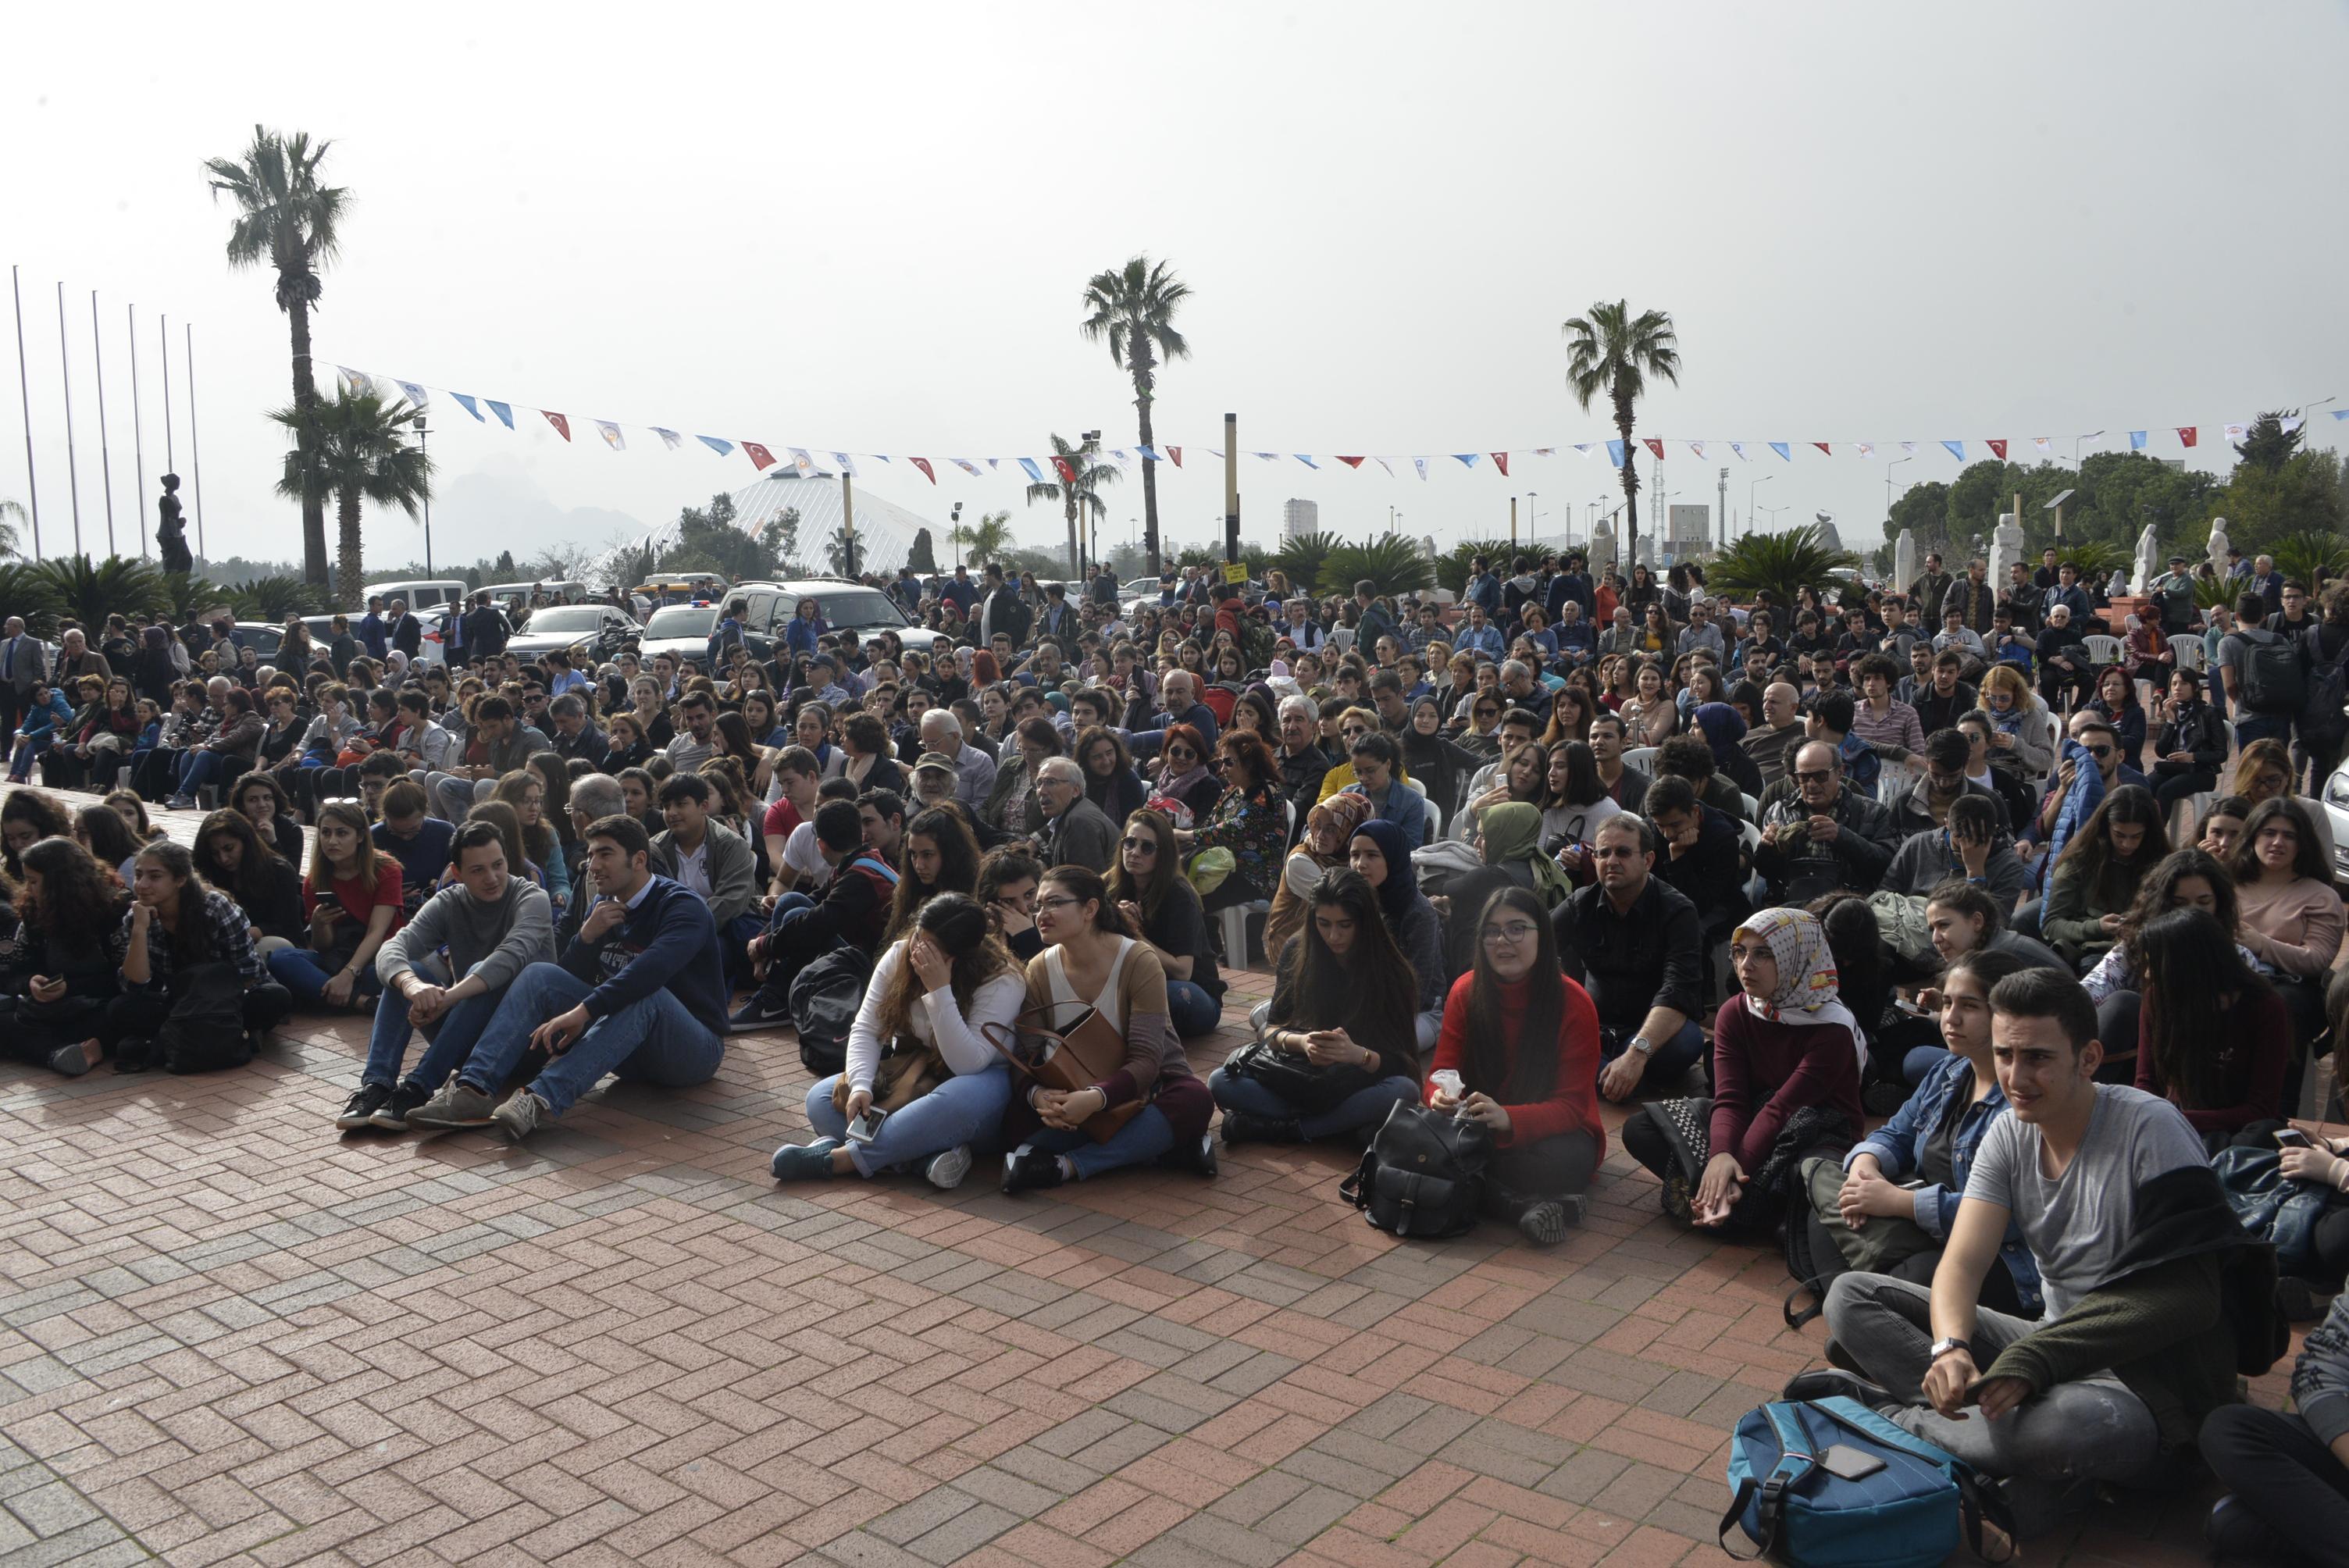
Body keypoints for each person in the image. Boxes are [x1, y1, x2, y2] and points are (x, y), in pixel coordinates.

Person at [1807, 969, 2267, 1531]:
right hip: (2045, 1343)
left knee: (2066, 1428)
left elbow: (2191, 1297)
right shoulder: (2010, 1132)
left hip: (2149, 1383)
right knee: (1850, 1298)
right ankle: (2007, 1456)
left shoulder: (2152, 1130)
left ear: (2089, 1058)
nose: (2016, 1077)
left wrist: (2039, 1360)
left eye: (2038, 1058)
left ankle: (1887, 1418)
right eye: (2004, 1055)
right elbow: (1963, 1263)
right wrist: (1949, 1349)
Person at [407, 814, 728, 1142]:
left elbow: (648, 973)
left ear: (639, 859)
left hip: (692, 1051)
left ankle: (537, 1099)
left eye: (605, 854)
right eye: (591, 855)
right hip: (625, 1047)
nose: (593, 865)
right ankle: (473, 1089)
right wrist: (586, 938)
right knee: (539, 974)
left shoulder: (682, 908)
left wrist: (583, 1011)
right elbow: (567, 976)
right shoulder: (603, 904)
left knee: (648, 995)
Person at [1814, 947, 2043, 1316]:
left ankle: (1860, 1309)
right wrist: (1864, 1169)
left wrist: (1899, 1202)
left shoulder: (2023, 1102)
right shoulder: (1950, 1070)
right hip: (1924, 1227)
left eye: (1969, 1006)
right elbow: (1896, 1133)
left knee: (1913, 1277)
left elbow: (2011, 1219)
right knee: (1828, 1199)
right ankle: (1858, 1311)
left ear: (2004, 1014)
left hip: (1994, 1254)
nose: (1951, 1018)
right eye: (1947, 1003)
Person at [1622, 907, 1865, 1235]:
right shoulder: (1736, 1012)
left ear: (1796, 957)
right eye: (1739, 952)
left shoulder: (1832, 1029)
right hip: (1752, 1117)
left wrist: (1734, 1171)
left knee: (1809, 1172)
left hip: (1817, 1131)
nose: (1745, 965)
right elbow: (1731, 1099)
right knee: (1641, 1129)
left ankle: (1729, 1198)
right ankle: (1750, 1206)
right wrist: (1720, 1156)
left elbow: (1783, 1109)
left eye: (1763, 954)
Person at [770, 893, 1024, 1192]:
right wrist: (861, 1086)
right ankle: (921, 1160)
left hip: (978, 1085)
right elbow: (867, 1028)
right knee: (821, 1099)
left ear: (958, 956)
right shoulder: (899, 955)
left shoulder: (1002, 979)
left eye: (930, 947)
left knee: (959, 1100)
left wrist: (939, 991)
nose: (916, 950)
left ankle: (839, 1160)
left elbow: (967, 1064)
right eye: (918, 936)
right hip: (914, 1072)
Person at [998, 864, 1214, 1192]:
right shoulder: (1039, 968)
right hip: (1073, 1091)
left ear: (1090, 909)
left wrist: (1095, 1099)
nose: (1041, 914)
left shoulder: (1137, 960)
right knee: (1014, 1121)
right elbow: (1025, 1055)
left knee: (1194, 1100)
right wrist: (1038, 1096)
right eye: (1038, 905)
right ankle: (1157, 1148)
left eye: (1055, 903)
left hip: (1142, 1089)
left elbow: (1147, 1061)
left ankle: (1065, 1166)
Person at [1424, 886, 1606, 1243]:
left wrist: (1508, 1118)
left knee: (1557, 1165)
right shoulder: (1465, 991)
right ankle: (1518, 1205)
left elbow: (1572, 1107)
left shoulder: (1574, 1002)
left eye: (1516, 929)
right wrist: (1437, 1096)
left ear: (1543, 935)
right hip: (1478, 1126)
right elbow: (1440, 1071)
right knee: (1408, 1135)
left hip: (1552, 1132)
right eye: (1491, 931)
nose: (1502, 941)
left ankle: (1477, 1185)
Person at [351, 820, 557, 1131]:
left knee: (483, 970)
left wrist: (447, 999)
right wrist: (412, 986)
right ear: (457, 873)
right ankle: (377, 1086)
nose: (492, 878)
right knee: (404, 973)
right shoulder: (449, 901)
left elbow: (508, 959)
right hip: (464, 1035)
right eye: (478, 870)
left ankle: (418, 1087)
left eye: (498, 865)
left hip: (521, 1044)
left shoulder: (532, 898)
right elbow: (392, 948)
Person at [1210, 869, 1423, 1146]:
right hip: (1301, 1077)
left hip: (1356, 1081)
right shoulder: (1298, 950)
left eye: (1345, 925)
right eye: (1324, 923)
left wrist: (1357, 1055)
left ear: (1365, 922)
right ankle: (1338, 1127)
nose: (1334, 936)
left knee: (1403, 1090)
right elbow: (1272, 1030)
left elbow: (1403, 1064)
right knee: (1220, 1081)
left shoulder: (1391, 970)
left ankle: (1283, 1129)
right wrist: (1303, 1042)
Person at [1556, 814, 1708, 1103]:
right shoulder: (1581, 903)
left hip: (1651, 1031)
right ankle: (1615, 1076)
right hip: (1593, 1026)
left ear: (1648, 860)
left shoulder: (1677, 911)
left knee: (1686, 1043)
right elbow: (1535, 948)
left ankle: (1607, 1072)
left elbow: (1678, 991)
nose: (1611, 861)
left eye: (1623, 852)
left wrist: (1636, 1054)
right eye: (1603, 853)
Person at [104, 839, 293, 1068]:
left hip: (224, 1001)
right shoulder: (136, 916)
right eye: (138, 875)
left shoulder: (214, 907)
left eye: (155, 877)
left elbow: (248, 972)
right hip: (175, 1005)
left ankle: (171, 1042)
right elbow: (134, 986)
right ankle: (230, 1037)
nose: (142, 885)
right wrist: (139, 930)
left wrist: (212, 1006)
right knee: (119, 1008)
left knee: (276, 996)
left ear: (180, 879)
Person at [728, 800, 901, 1028]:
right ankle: (776, 993)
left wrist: (765, 946)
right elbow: (816, 900)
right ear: (859, 835)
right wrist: (762, 940)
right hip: (865, 954)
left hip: (878, 971)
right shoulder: (862, 859)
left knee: (800, 918)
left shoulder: (861, 877)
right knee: (790, 901)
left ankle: (776, 1000)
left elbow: (819, 922)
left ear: (821, 845)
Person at [2232, 796, 2343, 1085]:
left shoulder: (2320, 896)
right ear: (2253, 836)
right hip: (2225, 978)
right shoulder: (2224, 883)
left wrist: (2261, 944)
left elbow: (2317, 959)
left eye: (2289, 836)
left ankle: (2279, 1103)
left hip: (2293, 989)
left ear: (2302, 843)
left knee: (2280, 1005)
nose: (2277, 842)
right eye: (2269, 833)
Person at [2, 836, 130, 1076]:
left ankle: (63, 1048)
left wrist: (69, 987)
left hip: (96, 1006)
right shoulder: (33, 914)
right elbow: (16, 972)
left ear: (58, 883)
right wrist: (31, 982)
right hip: (49, 1010)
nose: (28, 889)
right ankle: (60, 1054)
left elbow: (124, 977)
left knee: (124, 1011)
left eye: (34, 882)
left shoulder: (114, 911)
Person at [266, 801, 404, 1012]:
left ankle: (328, 995)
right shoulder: (314, 881)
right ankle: (362, 1002)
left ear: (360, 836)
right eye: (326, 833)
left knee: (410, 971)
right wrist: (319, 924)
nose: (332, 841)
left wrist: (349, 973)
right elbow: (323, 947)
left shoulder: (387, 869)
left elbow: (377, 932)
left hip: (377, 957)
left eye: (342, 833)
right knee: (281, 958)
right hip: (337, 959)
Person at [1107, 809, 1224, 1038]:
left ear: (1164, 854)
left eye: (1147, 847)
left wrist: (1132, 933)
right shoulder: (1111, 885)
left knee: (1168, 994)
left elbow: (1183, 971)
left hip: (1192, 992)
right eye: (1129, 843)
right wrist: (1111, 914)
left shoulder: (1179, 895)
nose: (1135, 853)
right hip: (1137, 984)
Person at [1347, 817, 1451, 1050]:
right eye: (1355, 855)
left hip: (1416, 1012)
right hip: (1360, 1004)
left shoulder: (1418, 913)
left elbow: (1419, 988)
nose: (1360, 864)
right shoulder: (1353, 900)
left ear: (1392, 858)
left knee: (1374, 1045)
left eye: (1372, 855)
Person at [2037, 784, 2166, 971]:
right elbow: (2051, 925)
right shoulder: (2078, 862)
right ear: (2106, 828)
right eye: (2119, 835)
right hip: (2094, 953)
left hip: (2147, 949)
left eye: (2136, 837)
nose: (2127, 844)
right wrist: (2097, 927)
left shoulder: (2160, 861)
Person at [1753, 741, 1899, 903]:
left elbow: (1888, 866)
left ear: (1840, 772)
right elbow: (1766, 872)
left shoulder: (1871, 811)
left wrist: (1842, 837)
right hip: (1789, 906)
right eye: (1803, 777)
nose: (1811, 784)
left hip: (1851, 906)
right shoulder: (1779, 811)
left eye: (1820, 776)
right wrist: (1767, 848)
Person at [1029, 757, 1117, 873]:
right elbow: (1050, 858)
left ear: (1075, 790)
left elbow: (1081, 880)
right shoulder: (1070, 813)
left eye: (1051, 782)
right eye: (1039, 783)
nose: (1042, 791)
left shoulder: (1079, 822)